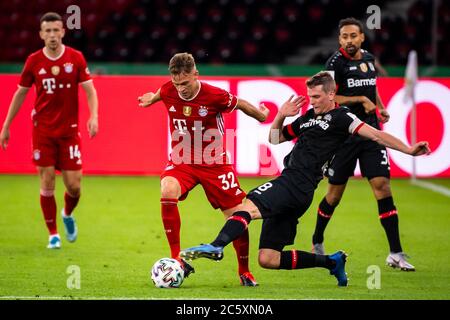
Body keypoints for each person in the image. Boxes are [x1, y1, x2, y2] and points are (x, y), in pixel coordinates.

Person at [179, 71, 430, 287]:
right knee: (268, 259)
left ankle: (216, 245)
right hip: (298, 190)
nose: (313, 101)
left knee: (248, 206)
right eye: (310, 97)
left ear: (332, 95)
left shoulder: (343, 118)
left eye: (318, 97)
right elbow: (275, 138)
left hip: (295, 183)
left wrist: (408, 149)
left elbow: (376, 135)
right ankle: (331, 261)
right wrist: (281, 115)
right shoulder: (309, 117)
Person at [137, 52, 269, 286]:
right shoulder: (169, 89)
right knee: (167, 189)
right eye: (177, 84)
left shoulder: (214, 95)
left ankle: (244, 271)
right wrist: (152, 99)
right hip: (182, 162)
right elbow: (162, 92)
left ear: (196, 74)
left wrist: (262, 115)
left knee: (237, 214)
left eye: (185, 83)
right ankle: (176, 257)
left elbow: (242, 104)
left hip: (215, 164)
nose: (181, 89)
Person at [310, 18, 415, 271]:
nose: (349, 40)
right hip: (344, 135)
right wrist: (360, 100)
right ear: (339, 40)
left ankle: (396, 253)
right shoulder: (334, 63)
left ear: (361, 38)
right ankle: (317, 239)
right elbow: (330, 99)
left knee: (383, 187)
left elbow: (371, 87)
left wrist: (377, 106)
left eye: (353, 36)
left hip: (370, 133)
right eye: (344, 36)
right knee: (334, 196)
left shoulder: (368, 59)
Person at [0, 12, 99, 249]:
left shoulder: (75, 58)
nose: (53, 35)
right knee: (46, 183)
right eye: (48, 31)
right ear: (41, 34)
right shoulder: (34, 61)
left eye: (57, 30)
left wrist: (94, 116)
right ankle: (53, 234)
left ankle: (66, 214)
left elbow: (89, 90)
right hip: (43, 132)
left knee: (74, 186)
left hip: (69, 132)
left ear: (63, 32)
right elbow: (20, 93)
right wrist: (6, 125)